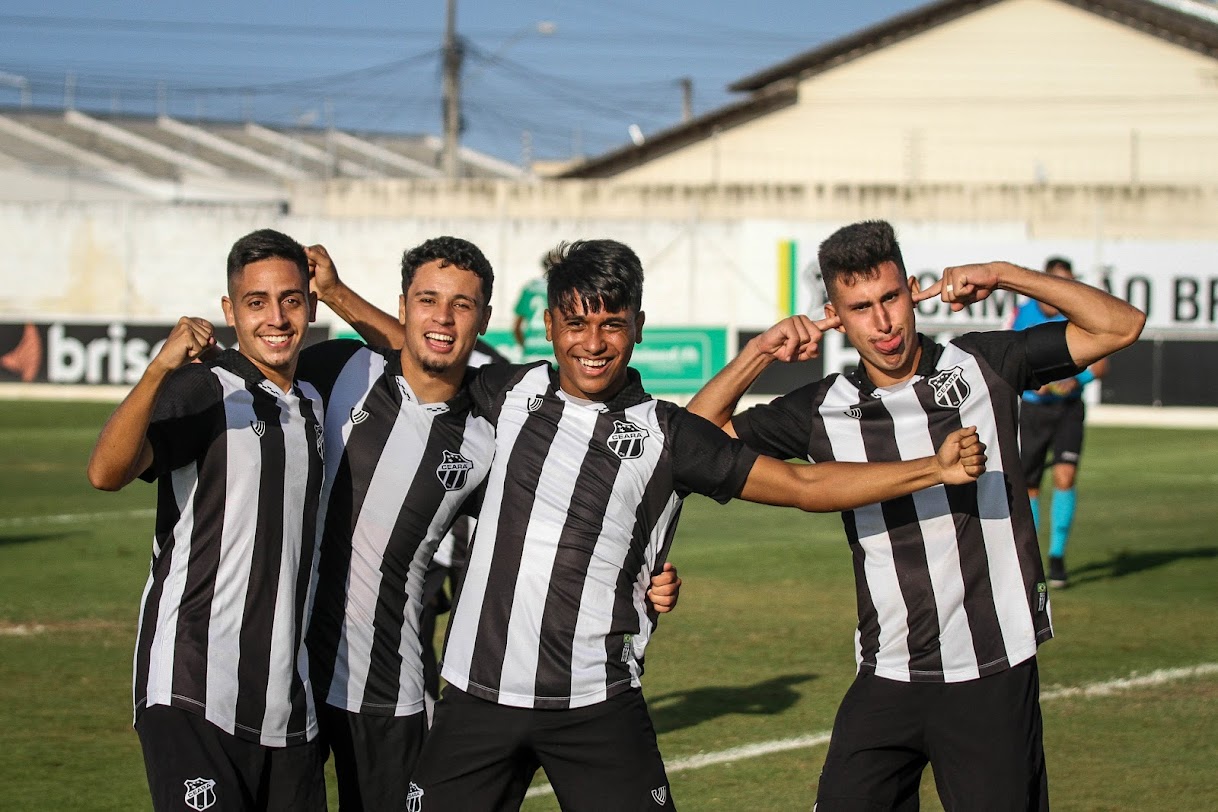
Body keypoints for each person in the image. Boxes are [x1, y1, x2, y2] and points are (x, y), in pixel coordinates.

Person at [403, 239, 987, 810]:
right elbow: (416, 353)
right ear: (551, 324)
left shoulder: (669, 434)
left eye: (612, 323)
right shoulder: (510, 390)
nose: (593, 342)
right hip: (476, 696)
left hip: (597, 702)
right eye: (576, 323)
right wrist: (337, 294)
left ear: (639, 326)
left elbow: (804, 486)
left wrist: (931, 469)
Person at [687, 220, 1145, 811]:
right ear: (836, 316)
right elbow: (693, 444)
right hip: (888, 673)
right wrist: (758, 354)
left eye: (890, 299)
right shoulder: (822, 408)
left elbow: (1121, 325)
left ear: (912, 290)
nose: (882, 324)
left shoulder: (985, 363)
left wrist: (1004, 274)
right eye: (860, 308)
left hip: (992, 671)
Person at [296, 239, 682, 811]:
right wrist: (331, 293)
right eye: (428, 299)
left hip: (389, 681)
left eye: (463, 305)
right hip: (288, 661)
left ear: (485, 319)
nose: (444, 318)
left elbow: (554, 514)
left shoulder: (486, 425)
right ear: (403, 305)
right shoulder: (340, 369)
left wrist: (638, 570)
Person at [86, 229, 327, 812]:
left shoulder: (316, 403)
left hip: (284, 703)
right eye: (256, 302)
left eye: (290, 299)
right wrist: (155, 372)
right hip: (192, 684)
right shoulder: (202, 390)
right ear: (230, 311)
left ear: (310, 307)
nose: (276, 317)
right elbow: (106, 472)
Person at [1010, 256, 1107, 588]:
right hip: (1034, 411)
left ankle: (1057, 557)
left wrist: (1074, 382)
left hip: (1067, 410)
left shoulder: (1081, 315)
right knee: (1030, 486)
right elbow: (1012, 363)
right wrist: (1041, 382)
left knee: (1065, 477)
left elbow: (1101, 365)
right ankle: (1032, 558)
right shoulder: (1024, 315)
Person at [512, 265, 551, 362]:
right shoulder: (564, 288)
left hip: (531, 350)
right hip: (554, 351)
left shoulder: (529, 288)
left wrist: (525, 345)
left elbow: (517, 326)